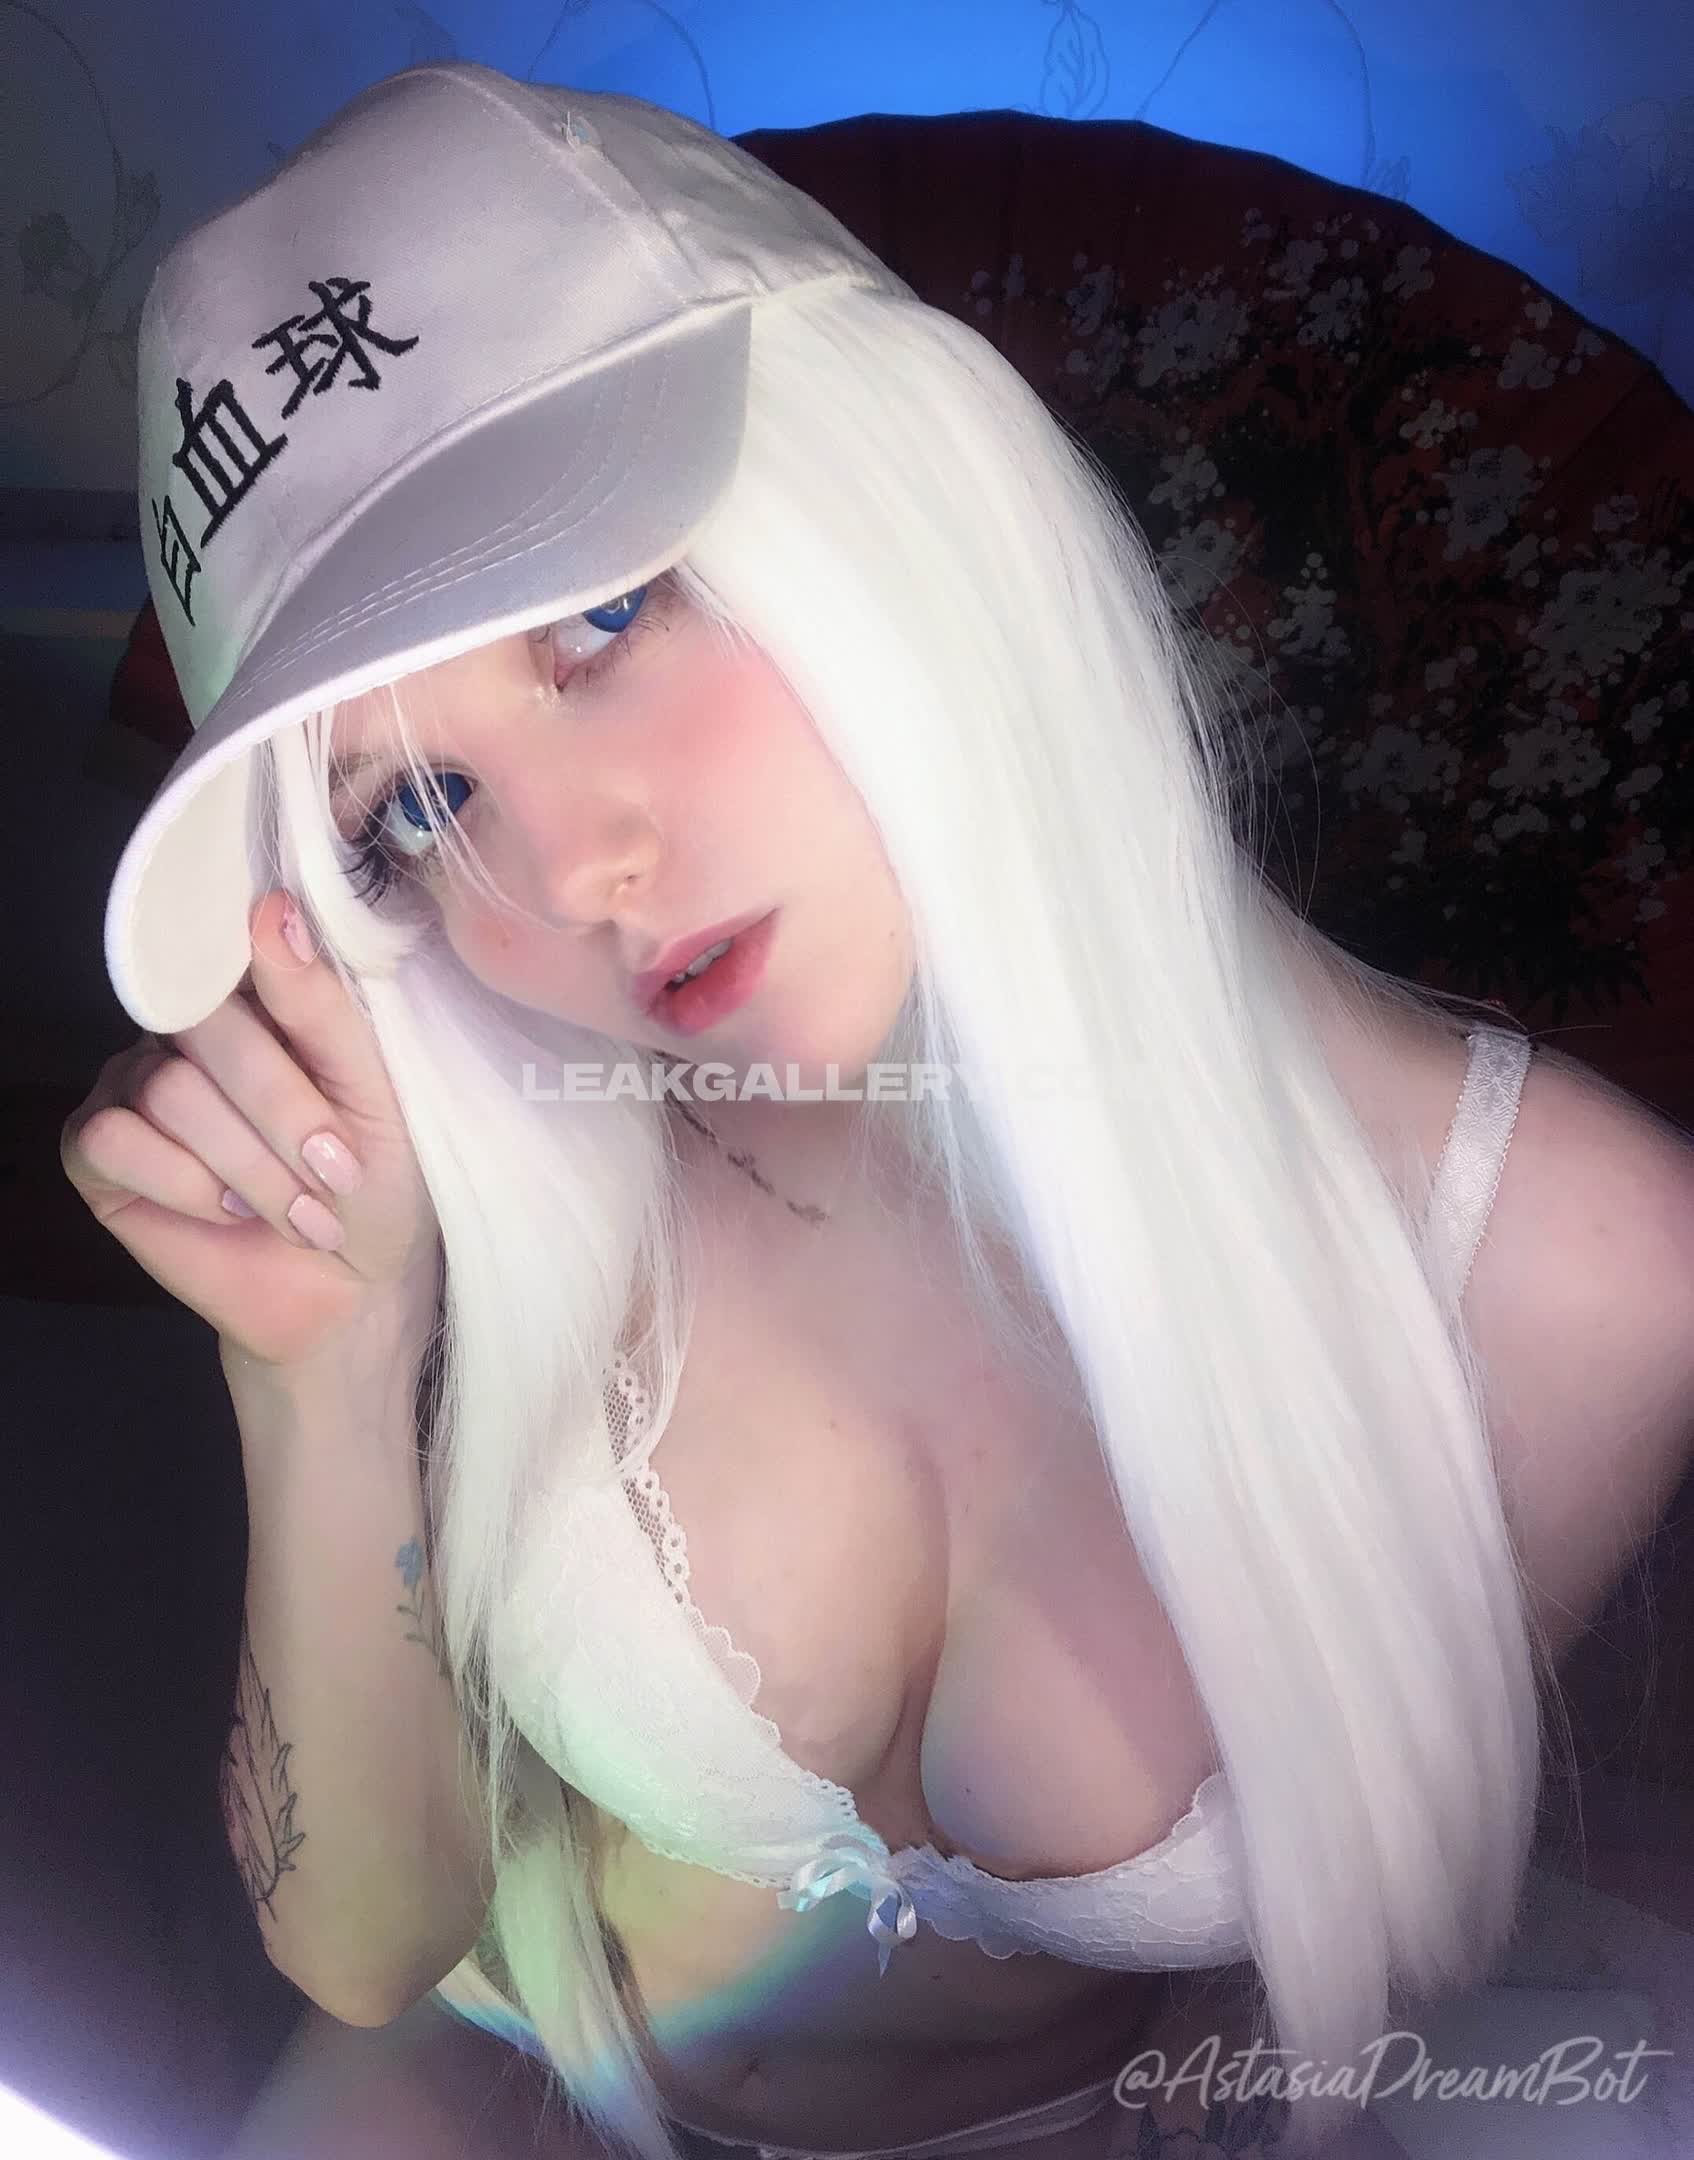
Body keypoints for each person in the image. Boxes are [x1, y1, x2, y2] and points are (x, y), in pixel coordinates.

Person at [60, 56, 1694, 2160]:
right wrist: (322, 1376)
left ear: (902, 480)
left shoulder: (1578, 1281)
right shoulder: (489, 1130)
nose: (570, 872)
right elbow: (365, 1960)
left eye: (602, 613)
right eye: (420, 803)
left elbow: (1342, 1955)